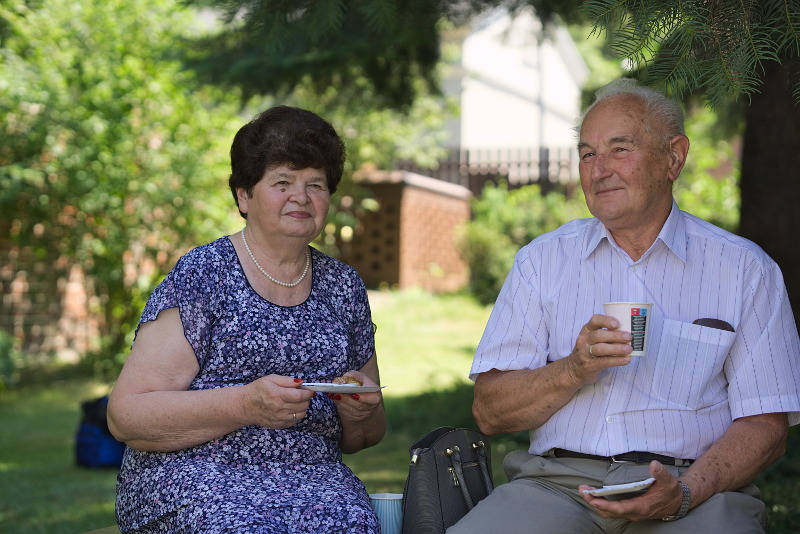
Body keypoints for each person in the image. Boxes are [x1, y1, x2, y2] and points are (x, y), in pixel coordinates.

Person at [448, 78, 800, 533]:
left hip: (690, 489)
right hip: (558, 487)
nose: (598, 170)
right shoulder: (542, 261)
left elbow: (766, 425)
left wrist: (687, 492)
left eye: (620, 149)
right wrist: (573, 369)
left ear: (674, 157)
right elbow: (490, 412)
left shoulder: (745, 269)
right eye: (587, 154)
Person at [107, 105, 386, 533]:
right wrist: (246, 404)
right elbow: (127, 416)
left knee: (355, 523)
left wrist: (359, 411)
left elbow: (366, 437)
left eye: (316, 184)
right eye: (282, 182)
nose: (302, 196)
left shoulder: (344, 287)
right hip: (197, 476)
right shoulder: (205, 274)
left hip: (314, 482)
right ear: (243, 195)